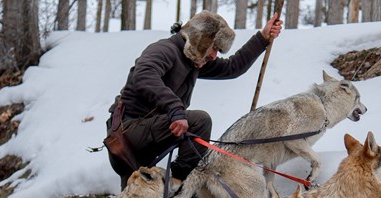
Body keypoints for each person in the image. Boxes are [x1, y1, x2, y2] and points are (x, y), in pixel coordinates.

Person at [105, 10, 283, 187]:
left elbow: (232, 67)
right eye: (214, 47)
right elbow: (143, 76)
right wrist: (176, 109)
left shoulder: (192, 61)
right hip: (129, 133)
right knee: (199, 121)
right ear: (200, 40)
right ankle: (181, 185)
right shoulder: (164, 50)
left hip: (147, 134)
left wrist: (262, 37)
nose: (215, 55)